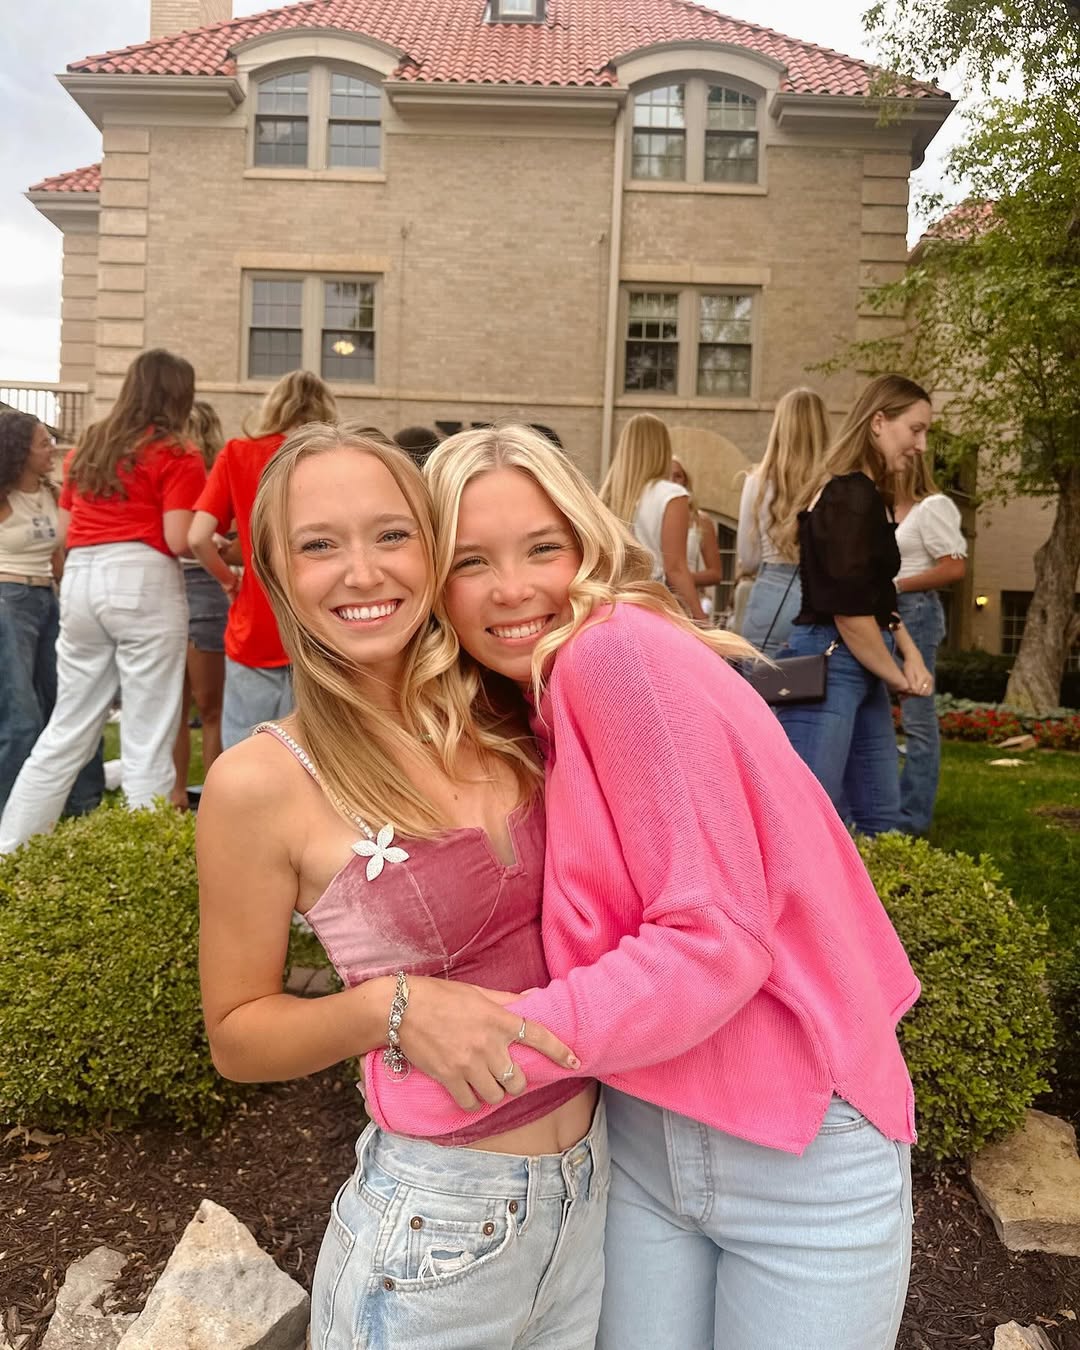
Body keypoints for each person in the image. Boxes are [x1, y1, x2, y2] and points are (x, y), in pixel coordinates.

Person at [358, 422, 919, 1350]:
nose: (512, 588)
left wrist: (486, 1056)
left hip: (794, 1149)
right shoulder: (539, 689)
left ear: (585, 546)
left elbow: (714, 940)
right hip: (646, 1132)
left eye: (542, 549)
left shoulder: (611, 653)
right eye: (470, 562)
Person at [196, 425, 607, 1350]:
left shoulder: (515, 705)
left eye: (392, 534)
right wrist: (391, 1007)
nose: (363, 572)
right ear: (276, 572)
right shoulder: (262, 782)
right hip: (435, 1236)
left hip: (599, 1192)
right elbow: (237, 1036)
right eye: (319, 544)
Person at [0, 350, 205, 851]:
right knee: (149, 729)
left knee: (67, 727)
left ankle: (10, 849)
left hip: (82, 578)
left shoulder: (90, 445)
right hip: (144, 577)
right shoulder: (178, 452)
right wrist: (214, 543)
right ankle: (145, 856)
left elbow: (65, 533)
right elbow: (177, 538)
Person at [772, 375, 935, 835]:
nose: (921, 445)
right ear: (878, 422)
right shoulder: (850, 494)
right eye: (915, 429)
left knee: (880, 818)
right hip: (832, 661)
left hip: (857, 664)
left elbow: (876, 595)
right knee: (808, 818)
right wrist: (898, 677)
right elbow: (849, 612)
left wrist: (911, 652)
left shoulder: (868, 495)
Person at [188, 370, 336, 748]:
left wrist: (228, 580)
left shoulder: (238, 453)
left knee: (246, 754)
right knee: (319, 757)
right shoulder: (330, 459)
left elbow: (197, 537)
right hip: (320, 628)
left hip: (254, 626)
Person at [0, 412, 104, 818]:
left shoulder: (52, 493)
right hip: (8, 601)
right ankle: (9, 817)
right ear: (19, 450)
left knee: (70, 704)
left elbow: (60, 558)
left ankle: (84, 809)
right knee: (21, 716)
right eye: (44, 443)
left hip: (48, 599)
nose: (53, 450)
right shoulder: (4, 497)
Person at [893, 454, 967, 834]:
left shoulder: (932, 506)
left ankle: (913, 817)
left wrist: (897, 584)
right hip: (883, 612)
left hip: (916, 611)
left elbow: (954, 566)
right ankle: (883, 806)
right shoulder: (882, 508)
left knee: (917, 717)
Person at [737, 388, 830, 657]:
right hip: (820, 596)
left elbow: (749, 558)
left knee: (761, 680)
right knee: (814, 677)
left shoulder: (756, 481)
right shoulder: (834, 485)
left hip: (770, 596)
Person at [172, 400, 228, 807]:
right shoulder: (214, 477)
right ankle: (213, 802)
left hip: (168, 586)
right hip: (208, 586)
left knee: (175, 708)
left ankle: (176, 794)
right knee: (213, 711)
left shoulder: (169, 470)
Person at [600, 413, 705, 620]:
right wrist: (700, 619)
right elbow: (676, 569)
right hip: (650, 605)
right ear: (663, 449)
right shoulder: (671, 495)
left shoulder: (606, 497)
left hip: (608, 604)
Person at [669, 455, 723, 615]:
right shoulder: (648, 515)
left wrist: (682, 579)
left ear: (685, 481)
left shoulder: (701, 521)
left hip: (686, 602)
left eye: (677, 476)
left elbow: (716, 573)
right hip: (655, 599)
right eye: (666, 476)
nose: (672, 481)